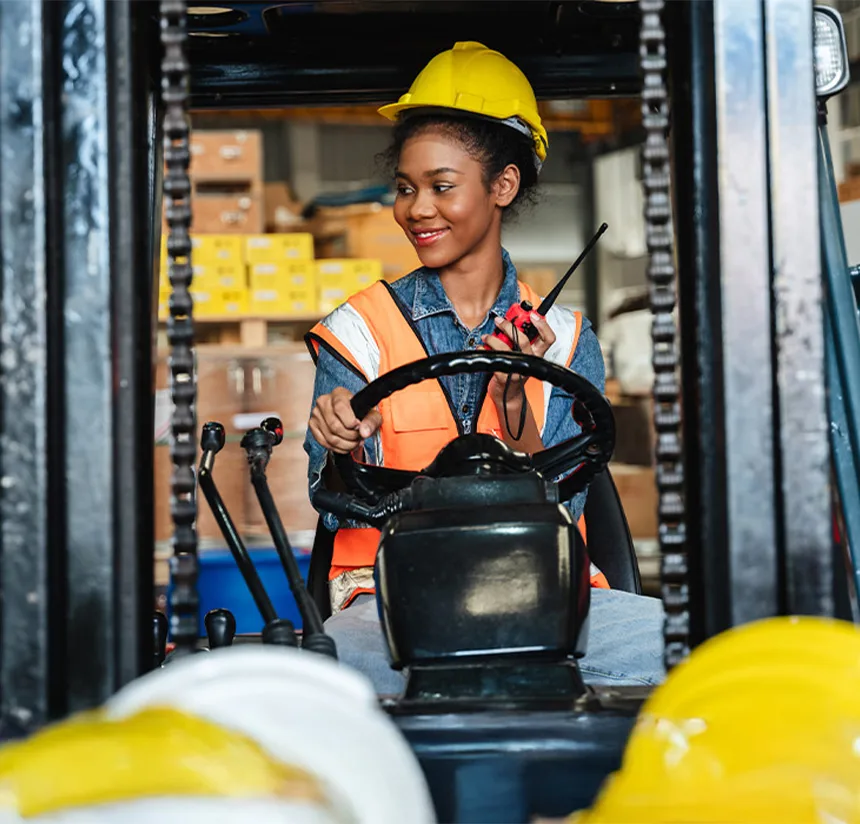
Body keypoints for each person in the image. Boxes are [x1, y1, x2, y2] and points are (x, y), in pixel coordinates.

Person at [303, 41, 665, 693]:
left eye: (442, 187)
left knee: (684, 657)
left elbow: (566, 500)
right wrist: (339, 441)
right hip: (391, 603)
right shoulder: (359, 330)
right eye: (407, 189)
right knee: (319, 679)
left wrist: (518, 401)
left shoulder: (565, 341)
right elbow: (330, 500)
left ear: (503, 185)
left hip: (548, 599)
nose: (417, 209)